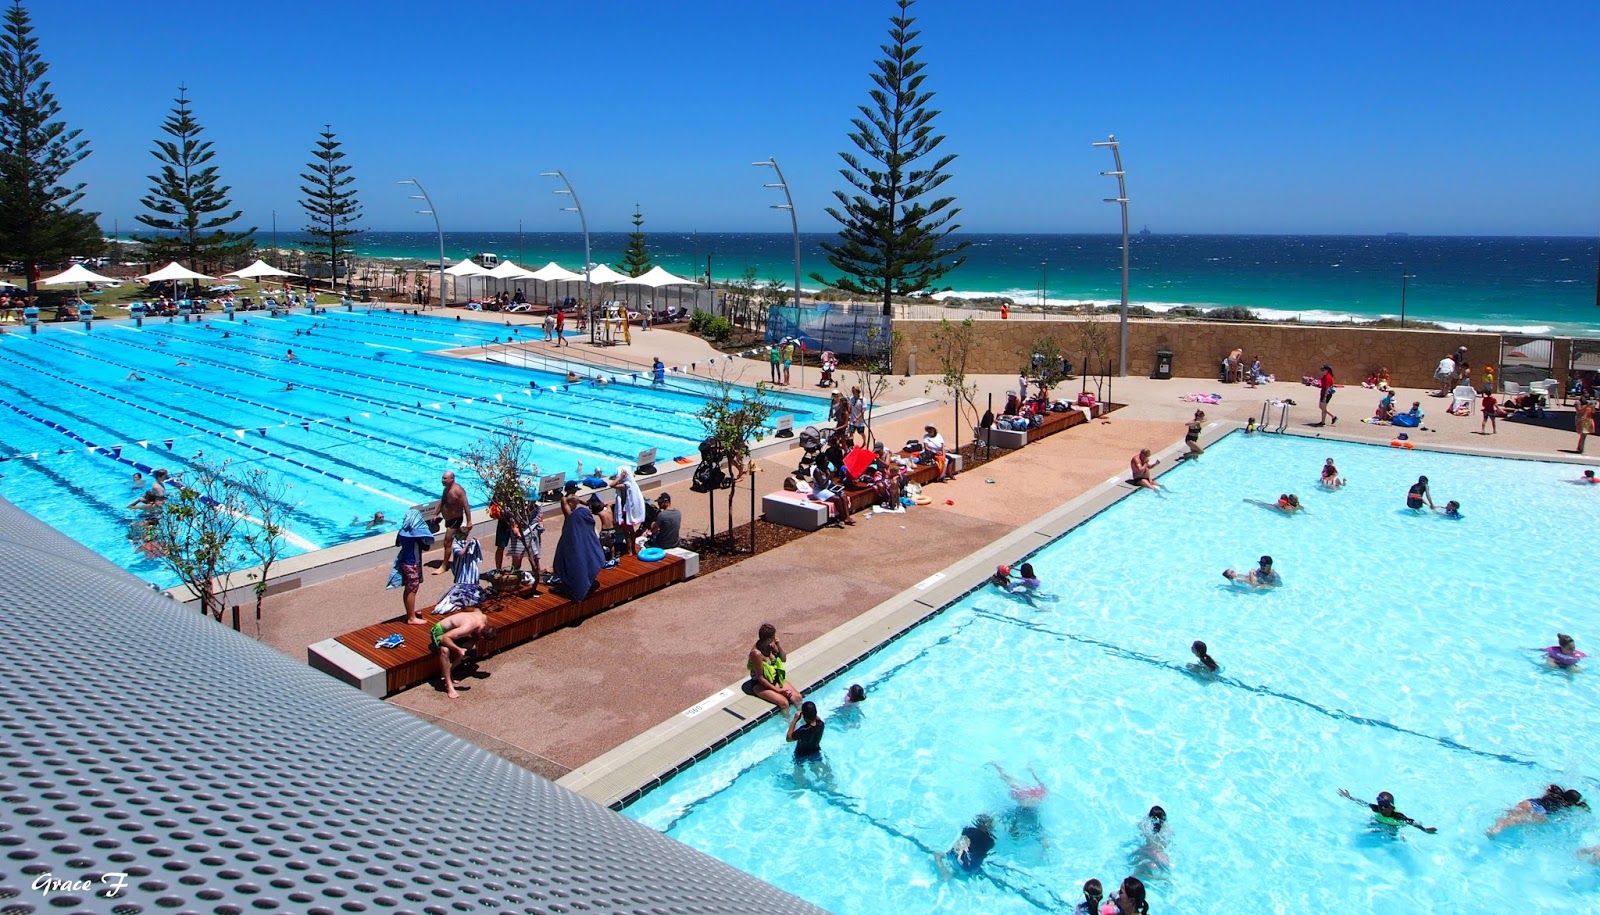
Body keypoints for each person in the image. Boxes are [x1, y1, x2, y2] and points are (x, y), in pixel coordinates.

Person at [551, 487, 605, 601]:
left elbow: (582, 503)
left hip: (571, 530)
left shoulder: (575, 507)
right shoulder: (565, 501)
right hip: (572, 528)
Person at [431, 608, 497, 700]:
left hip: (455, 632)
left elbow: (476, 609)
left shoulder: (483, 618)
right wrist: (458, 650)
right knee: (445, 651)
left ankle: (448, 672)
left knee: (471, 648)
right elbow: (444, 638)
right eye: (483, 639)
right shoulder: (467, 628)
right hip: (440, 631)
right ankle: (449, 686)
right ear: (482, 635)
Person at [391, 509, 436, 625]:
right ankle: (411, 618)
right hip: (412, 564)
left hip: (405, 562)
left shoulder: (402, 531)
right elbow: (426, 546)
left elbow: (397, 543)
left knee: (408, 588)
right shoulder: (416, 534)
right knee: (412, 589)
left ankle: (410, 613)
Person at [1487, 784, 1588, 835]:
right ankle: (1497, 829)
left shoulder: (1555, 793)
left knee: (1511, 815)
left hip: (1529, 803)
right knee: (1518, 820)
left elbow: (1548, 787)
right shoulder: (1565, 805)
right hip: (1539, 811)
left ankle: (1496, 826)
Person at [745, 623, 802, 712]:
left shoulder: (771, 645)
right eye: (773, 636)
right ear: (768, 639)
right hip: (760, 684)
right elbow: (761, 678)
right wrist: (778, 691)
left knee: (797, 697)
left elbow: (783, 659)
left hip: (774, 679)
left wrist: (778, 645)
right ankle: (788, 723)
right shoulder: (756, 654)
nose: (775, 638)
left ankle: (802, 720)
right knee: (784, 703)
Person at [1338, 788, 1437, 834]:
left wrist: (1425, 830)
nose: (1382, 808)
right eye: (1381, 806)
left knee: (1392, 834)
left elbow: (1412, 823)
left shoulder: (1397, 816)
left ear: (1392, 808)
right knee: (1370, 826)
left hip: (1393, 825)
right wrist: (1350, 798)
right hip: (1380, 821)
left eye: (1385, 806)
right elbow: (1364, 803)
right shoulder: (1377, 809)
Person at [432, 471, 472, 575]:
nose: (443, 480)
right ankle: (466, 556)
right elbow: (443, 502)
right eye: (442, 478)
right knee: (461, 538)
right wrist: (436, 513)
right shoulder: (446, 489)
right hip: (448, 520)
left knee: (447, 542)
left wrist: (469, 521)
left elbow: (466, 506)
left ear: (452, 479)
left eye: (445, 479)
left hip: (455, 520)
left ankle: (444, 566)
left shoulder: (458, 491)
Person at [610, 467, 646, 558]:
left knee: (627, 532)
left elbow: (611, 485)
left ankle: (630, 550)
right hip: (629, 510)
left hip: (625, 512)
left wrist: (620, 478)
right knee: (631, 531)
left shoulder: (625, 485)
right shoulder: (631, 484)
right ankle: (632, 549)